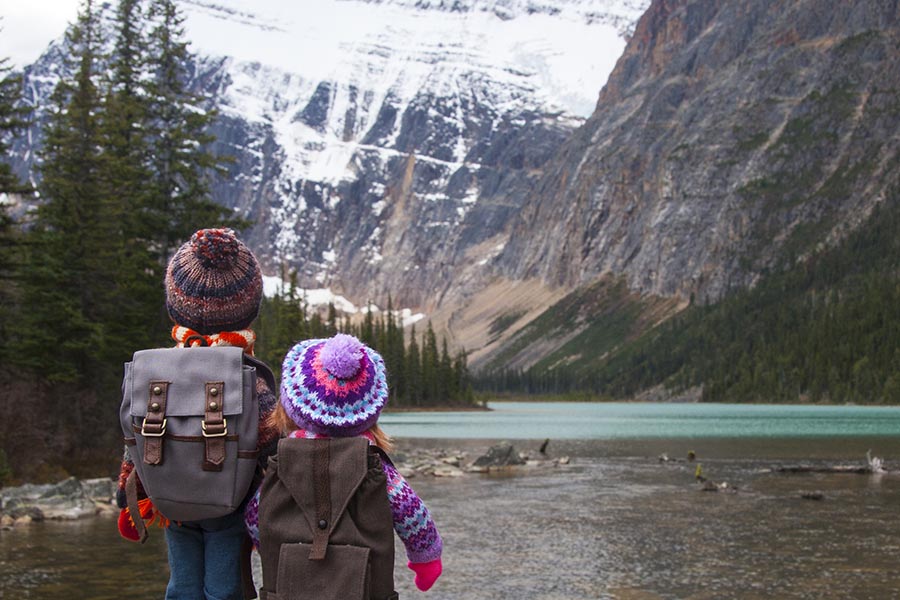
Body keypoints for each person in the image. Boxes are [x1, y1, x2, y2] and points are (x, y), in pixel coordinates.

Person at [115, 228, 280, 600]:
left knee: (182, 586)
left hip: (170, 500)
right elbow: (274, 444)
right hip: (228, 502)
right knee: (224, 589)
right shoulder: (247, 376)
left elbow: (133, 437)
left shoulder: (153, 372)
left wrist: (129, 492)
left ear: (176, 303)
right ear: (248, 308)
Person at [244, 333, 444, 593]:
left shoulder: (282, 463)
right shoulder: (373, 465)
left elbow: (254, 517)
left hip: (289, 588)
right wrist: (426, 561)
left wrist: (267, 547)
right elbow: (413, 516)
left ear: (290, 406)